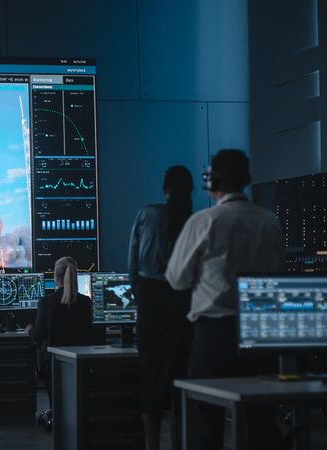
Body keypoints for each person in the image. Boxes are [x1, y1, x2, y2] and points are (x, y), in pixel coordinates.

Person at [165, 149, 284, 450]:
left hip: (214, 334)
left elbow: (176, 278)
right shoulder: (270, 222)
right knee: (261, 421)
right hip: (260, 333)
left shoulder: (204, 221)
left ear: (211, 180)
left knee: (206, 423)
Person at [128, 166, 194, 450]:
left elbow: (133, 266)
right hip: (184, 301)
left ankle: (152, 446)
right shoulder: (195, 221)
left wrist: (143, 300)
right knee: (181, 378)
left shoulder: (147, 214)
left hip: (152, 301)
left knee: (151, 380)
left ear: (164, 187)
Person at [27, 257, 96, 429]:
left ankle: (56, 412)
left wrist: (30, 330)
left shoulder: (46, 302)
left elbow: (39, 336)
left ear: (56, 278)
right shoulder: (86, 302)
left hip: (53, 366)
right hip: (82, 364)